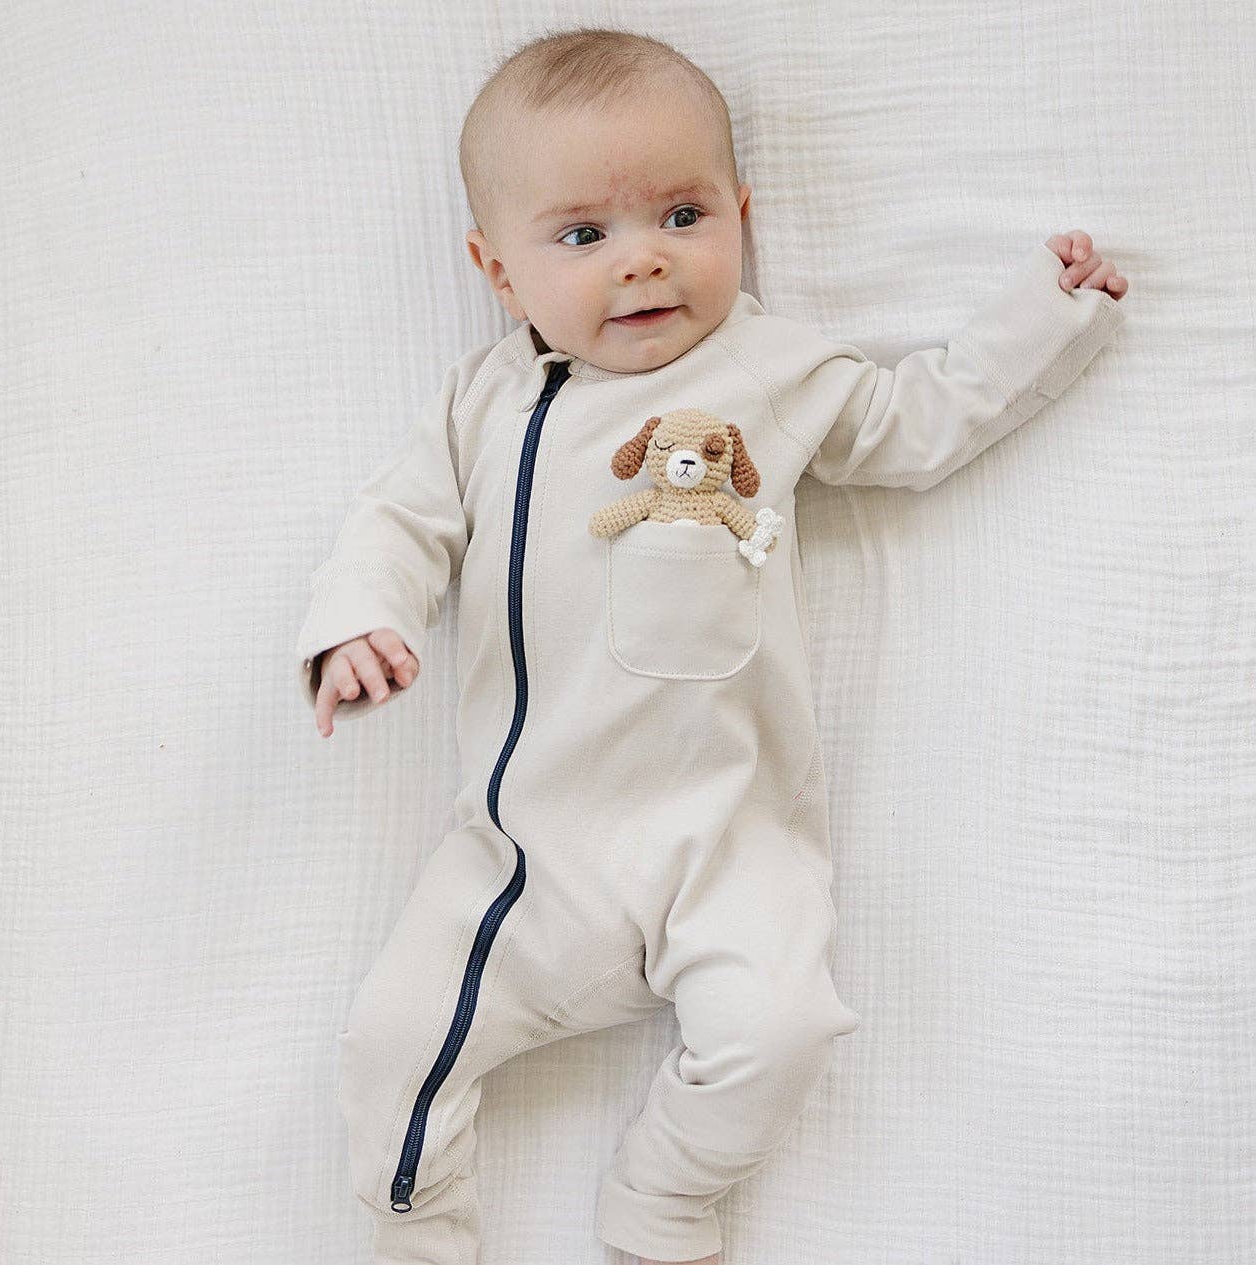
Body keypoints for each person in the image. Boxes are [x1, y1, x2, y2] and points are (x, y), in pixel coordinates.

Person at [293, 25, 1130, 1265]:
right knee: (389, 1040)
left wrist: (1045, 316)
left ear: (740, 213)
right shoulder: (487, 404)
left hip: (732, 837)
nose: (642, 261)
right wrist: (357, 620)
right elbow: (399, 522)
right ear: (498, 271)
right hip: (528, 855)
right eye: (582, 235)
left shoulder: (773, 369)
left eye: (681, 215)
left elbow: (915, 421)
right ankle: (419, 1234)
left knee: (782, 1026)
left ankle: (667, 1194)